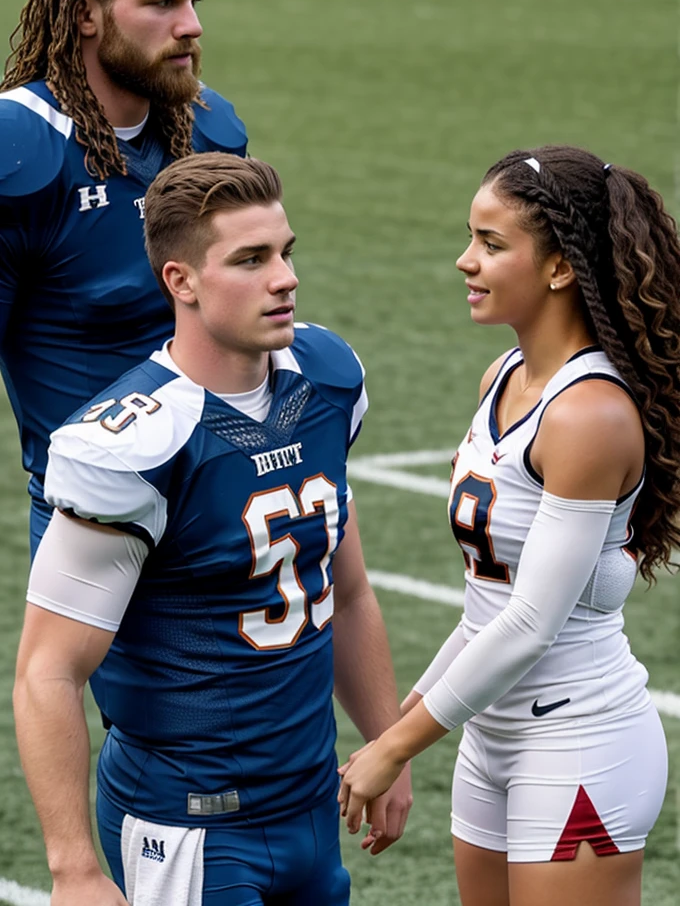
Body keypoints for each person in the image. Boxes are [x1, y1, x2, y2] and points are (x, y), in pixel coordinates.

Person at [13, 152, 413, 906]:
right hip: (192, 825)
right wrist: (73, 869)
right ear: (182, 281)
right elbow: (47, 671)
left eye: (286, 252)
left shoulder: (326, 377)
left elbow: (347, 591)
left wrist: (389, 744)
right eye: (251, 259)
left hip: (310, 805)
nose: (284, 277)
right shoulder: (133, 445)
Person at [338, 145, 680, 906]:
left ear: (560, 267)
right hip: (490, 737)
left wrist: (396, 747)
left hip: (578, 739)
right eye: (471, 237)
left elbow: (530, 623)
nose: (466, 261)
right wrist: (397, 730)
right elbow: (486, 609)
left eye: (491, 245)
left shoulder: (588, 414)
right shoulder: (502, 377)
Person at [0, 0, 248, 558]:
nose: (191, 25)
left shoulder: (212, 132)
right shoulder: (20, 150)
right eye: (163, 3)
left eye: (195, 1)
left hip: (227, 506)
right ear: (85, 13)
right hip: (99, 526)